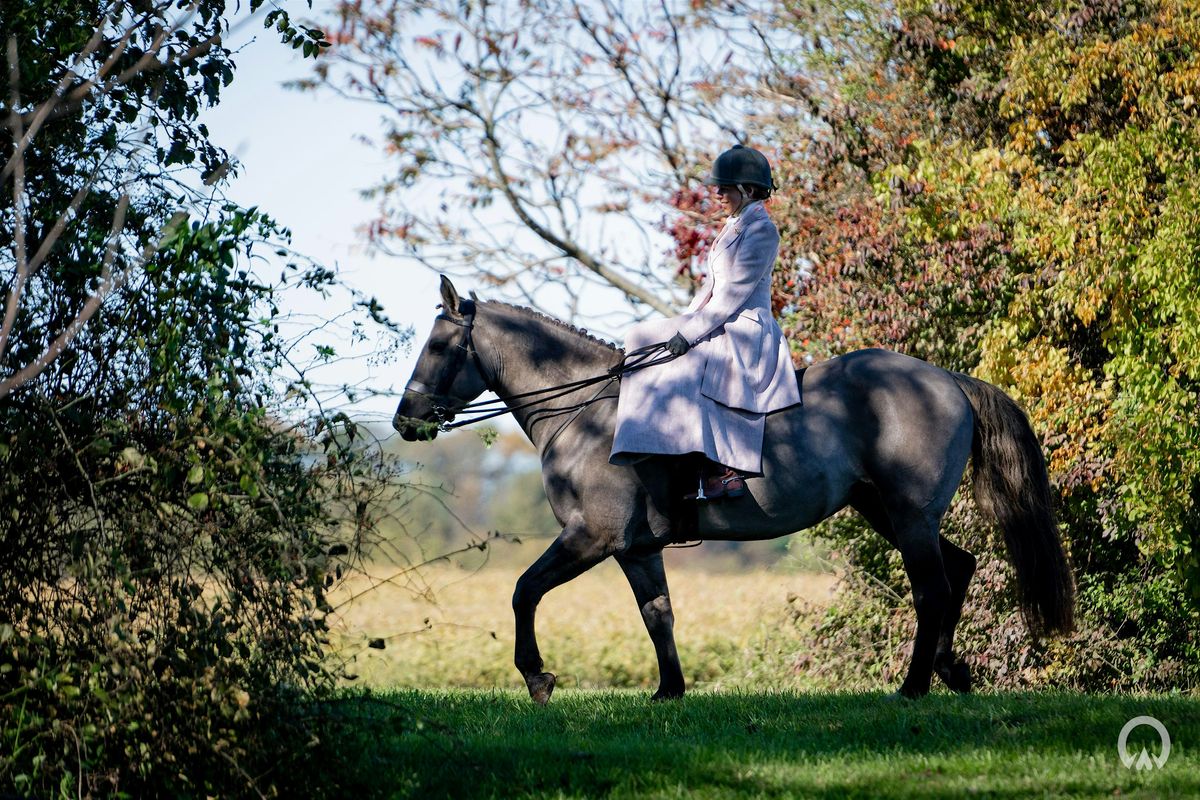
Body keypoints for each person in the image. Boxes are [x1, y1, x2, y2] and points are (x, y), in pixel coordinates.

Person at [609, 144, 801, 500]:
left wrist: (690, 333)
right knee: (640, 335)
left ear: (746, 189)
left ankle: (719, 470)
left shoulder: (762, 231)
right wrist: (683, 322)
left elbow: (733, 295)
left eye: (724, 188)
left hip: (745, 328)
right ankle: (645, 440)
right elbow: (710, 290)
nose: (717, 194)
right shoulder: (732, 227)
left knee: (696, 362)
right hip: (718, 318)